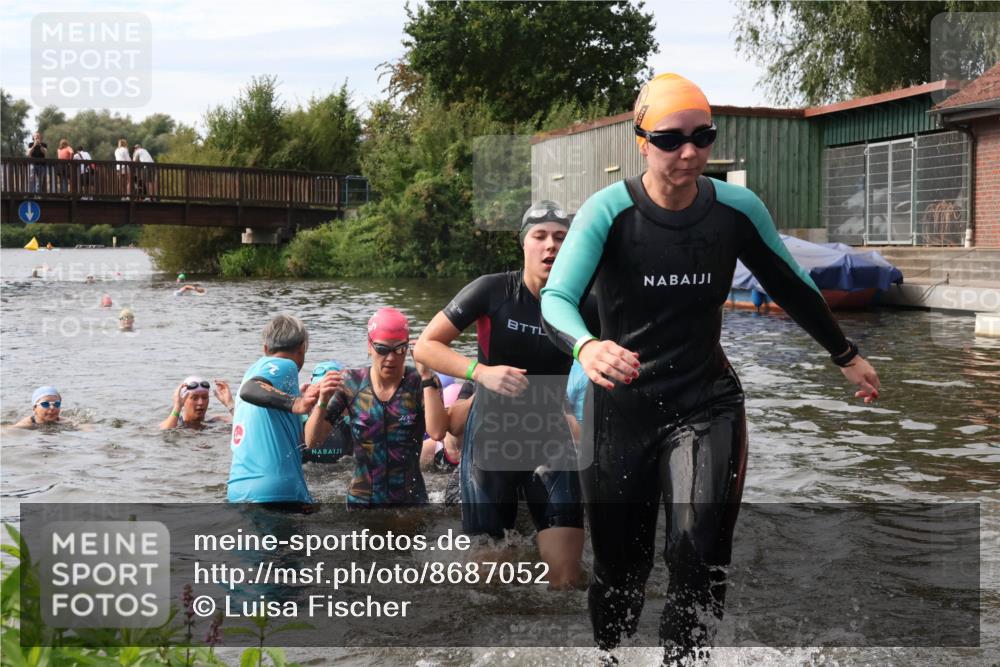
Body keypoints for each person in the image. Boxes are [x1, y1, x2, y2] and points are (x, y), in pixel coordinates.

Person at [539, 73, 882, 663]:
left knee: (697, 550)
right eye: (671, 139)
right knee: (622, 567)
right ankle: (612, 659)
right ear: (641, 141)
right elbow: (556, 299)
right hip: (619, 410)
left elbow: (791, 284)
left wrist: (845, 354)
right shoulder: (610, 212)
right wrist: (586, 347)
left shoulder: (734, 210)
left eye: (703, 136)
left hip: (704, 402)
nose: (690, 152)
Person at [414, 200, 596, 591]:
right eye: (540, 236)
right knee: (489, 582)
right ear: (523, 243)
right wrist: (480, 372)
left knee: (566, 578)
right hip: (491, 437)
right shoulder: (493, 290)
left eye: (560, 238)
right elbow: (425, 346)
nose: (551, 246)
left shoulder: (586, 302)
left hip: (549, 433)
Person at [305, 307, 448, 507]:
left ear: (408, 348)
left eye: (399, 349)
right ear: (369, 346)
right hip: (362, 503)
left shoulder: (420, 383)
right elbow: (312, 442)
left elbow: (438, 433)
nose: (391, 358)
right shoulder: (351, 383)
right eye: (382, 349)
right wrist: (321, 403)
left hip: (411, 503)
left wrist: (426, 377)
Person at [227, 314, 319, 506]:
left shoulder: (250, 371)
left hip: (238, 491)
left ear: (266, 348)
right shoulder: (286, 364)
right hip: (277, 493)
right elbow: (251, 389)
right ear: (302, 347)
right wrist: (296, 403)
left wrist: (297, 400)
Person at [300, 360, 353, 465]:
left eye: (333, 393)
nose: (326, 397)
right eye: (321, 390)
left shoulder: (350, 419)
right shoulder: (298, 418)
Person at [159, 376, 234, 430]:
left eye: (204, 397)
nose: (201, 403)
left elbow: (243, 422)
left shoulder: (215, 421)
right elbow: (165, 432)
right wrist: (177, 406)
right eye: (194, 398)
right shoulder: (176, 423)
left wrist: (229, 404)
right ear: (183, 400)